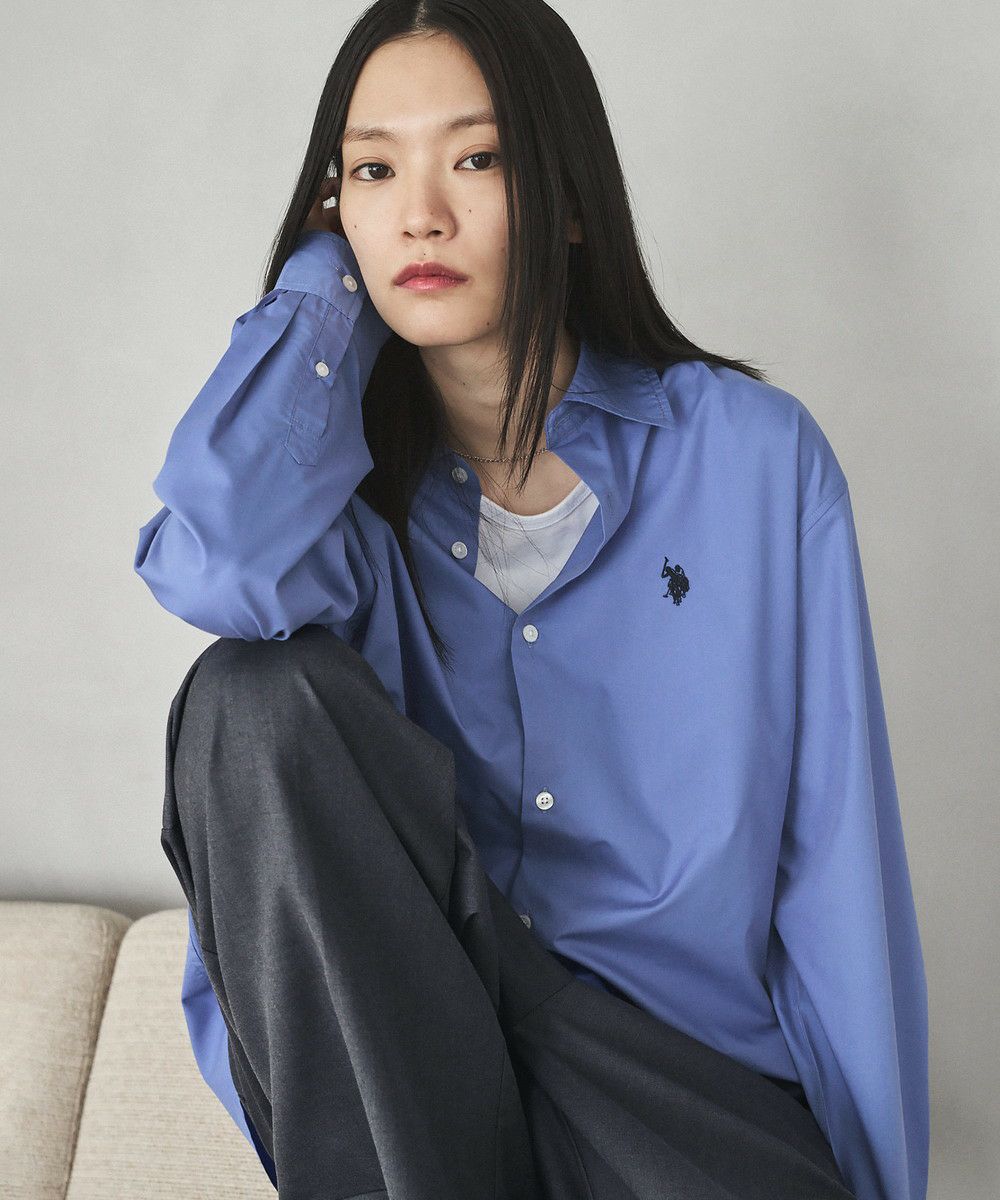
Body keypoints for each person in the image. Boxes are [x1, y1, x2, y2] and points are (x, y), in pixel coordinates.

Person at [135, 2, 929, 1198]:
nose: (421, 214)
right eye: (372, 170)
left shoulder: (754, 462)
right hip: (421, 1090)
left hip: (668, 1099)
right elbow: (211, 566)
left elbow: (836, 872)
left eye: (477, 158)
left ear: (565, 198)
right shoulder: (336, 511)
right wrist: (319, 299)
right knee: (248, 694)